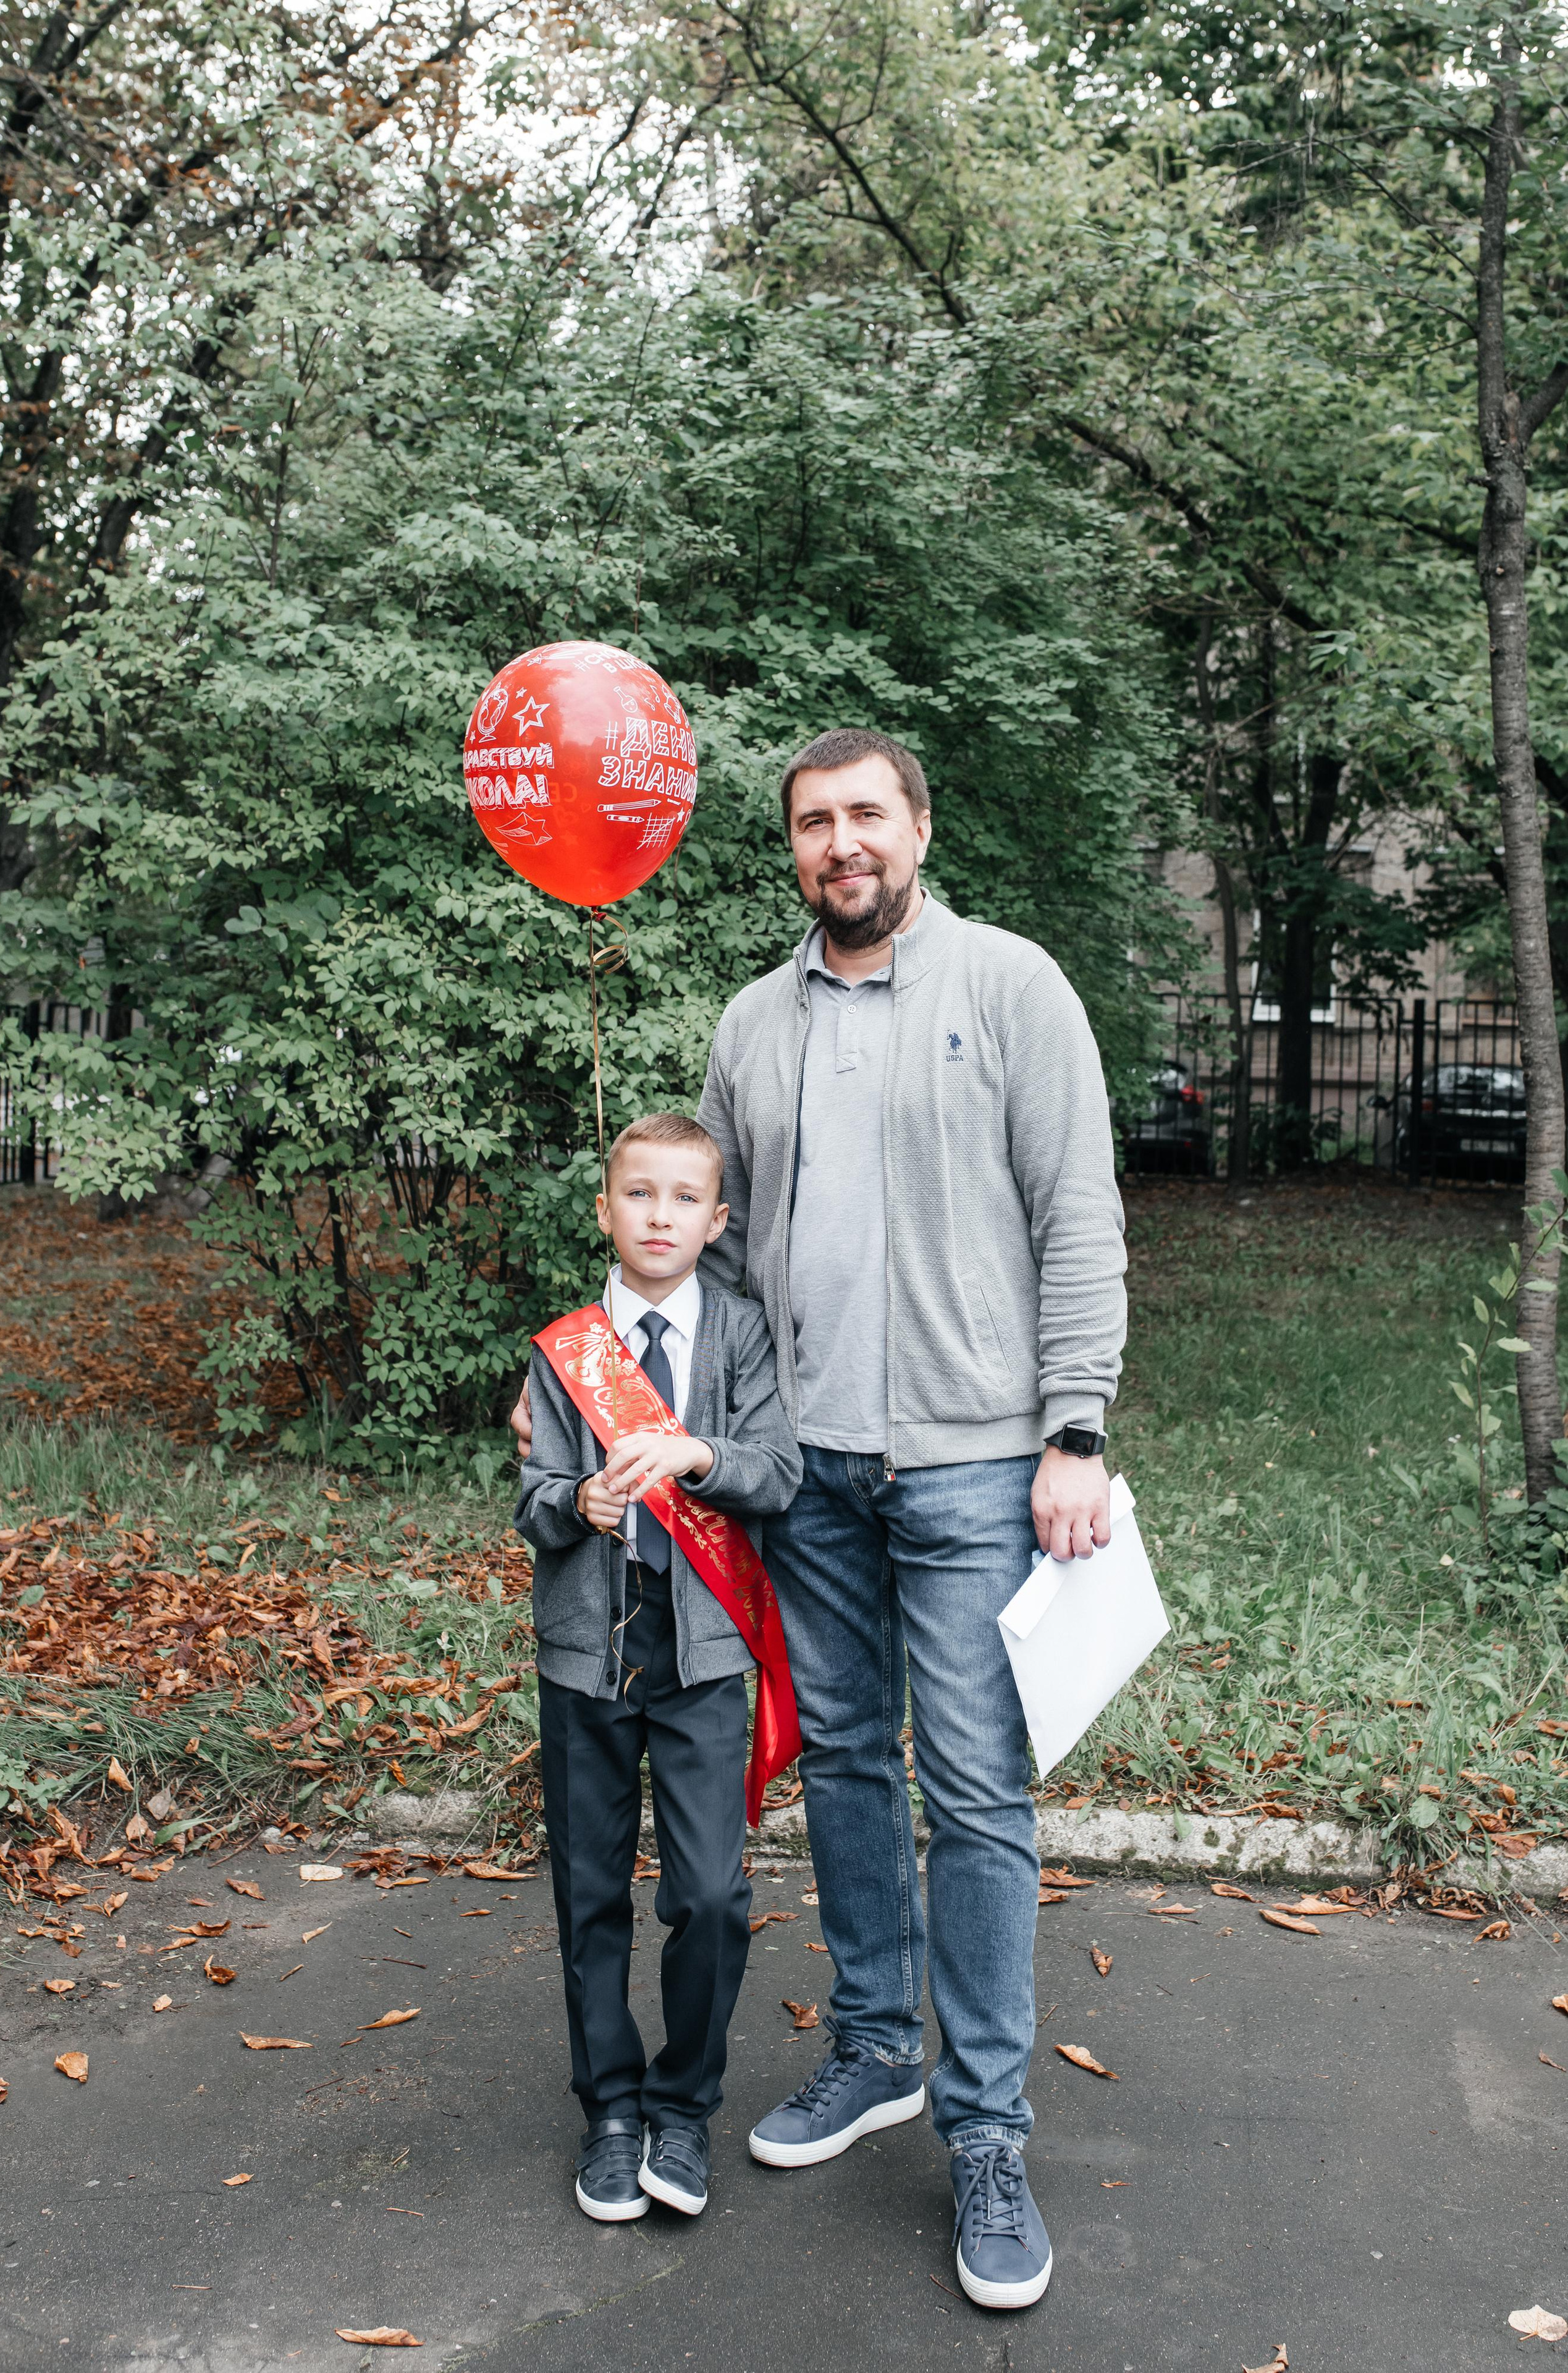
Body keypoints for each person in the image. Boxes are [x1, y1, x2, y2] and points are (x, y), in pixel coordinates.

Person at [513, 725, 1126, 2311]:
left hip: (980, 1463)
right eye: (811, 823)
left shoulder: (1010, 989)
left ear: (917, 826)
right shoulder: (750, 1025)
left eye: (864, 814)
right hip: (809, 1476)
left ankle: (986, 2129)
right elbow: (698, 1265)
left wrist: (1075, 1430)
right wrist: (595, 1391)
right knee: (848, 1758)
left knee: (976, 1792)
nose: (839, 843)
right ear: (789, 849)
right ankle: (873, 2051)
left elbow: (1078, 1217)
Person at [515, 1112, 802, 2227]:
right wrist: (574, 1504)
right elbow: (530, 1492)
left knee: (714, 1896)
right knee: (591, 1895)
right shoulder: (564, 1348)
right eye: (639, 1195)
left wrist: (698, 1455)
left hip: (702, 1656)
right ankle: (613, 2112)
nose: (661, 1217)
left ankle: (683, 2107)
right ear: (605, 1209)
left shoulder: (737, 1335)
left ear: (717, 1221)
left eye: (685, 1200)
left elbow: (776, 1474)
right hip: (589, 1651)